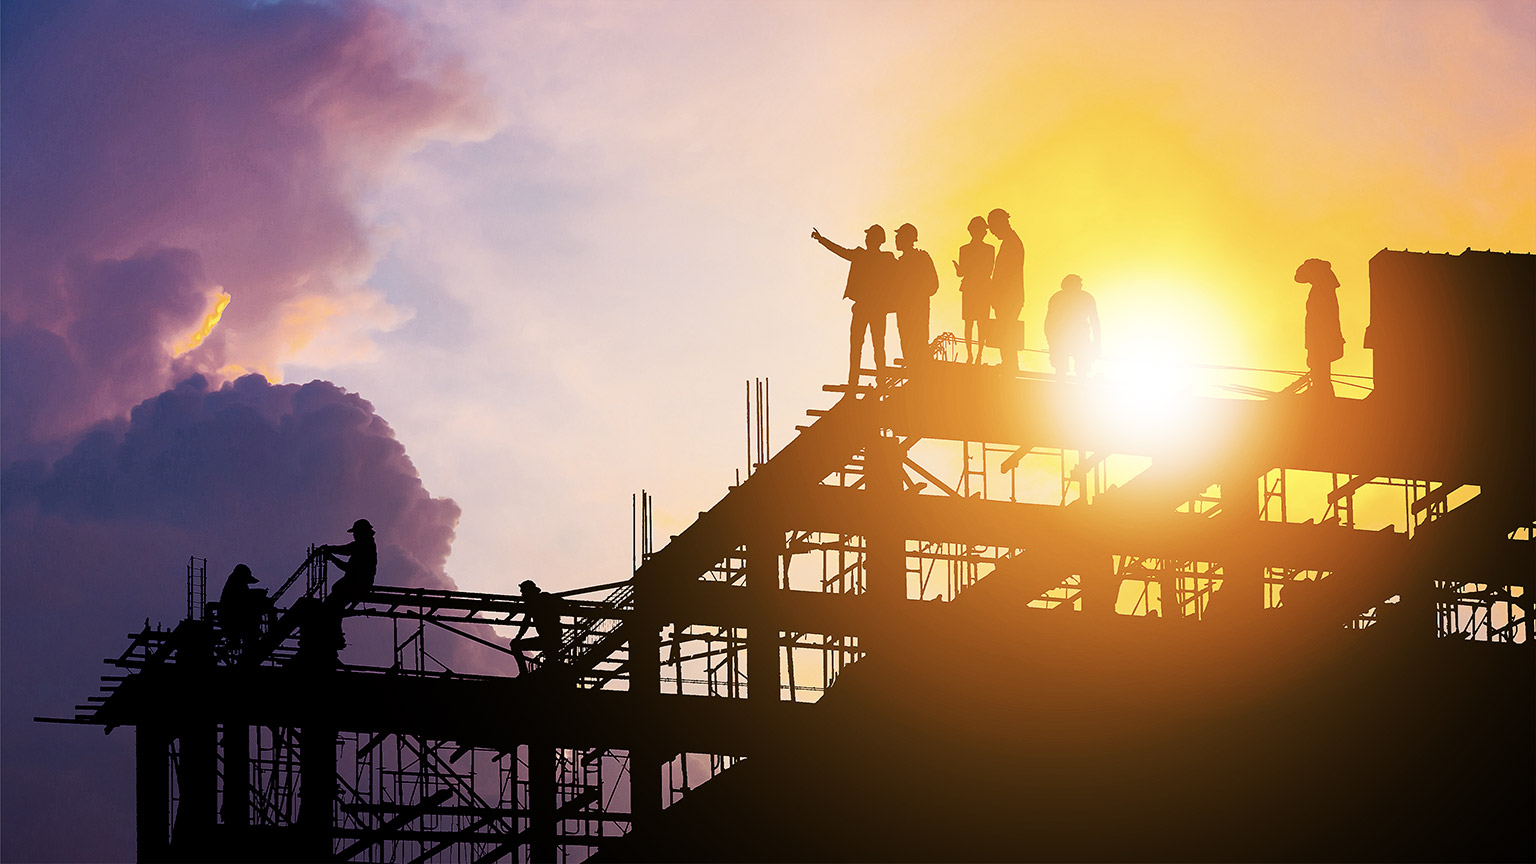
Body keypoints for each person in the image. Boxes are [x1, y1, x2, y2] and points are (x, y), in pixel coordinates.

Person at [812, 225, 898, 383]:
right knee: (863, 346)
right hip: (868, 309)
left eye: (869, 236)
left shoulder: (884, 258)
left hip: (873, 309)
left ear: (876, 240)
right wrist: (822, 240)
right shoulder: (868, 256)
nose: (866, 239)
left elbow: (901, 275)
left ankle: (877, 381)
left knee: (874, 346)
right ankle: (857, 382)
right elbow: (841, 251)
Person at [1294, 258, 1344, 397]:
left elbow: (1322, 320)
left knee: (1320, 370)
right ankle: (1320, 393)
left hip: (1321, 339)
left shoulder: (1323, 291)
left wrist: (1314, 342)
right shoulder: (1323, 289)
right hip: (1318, 339)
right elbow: (1298, 277)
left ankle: (1322, 395)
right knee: (1320, 371)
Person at [893, 223, 939, 368]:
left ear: (908, 238)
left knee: (918, 343)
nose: (896, 240)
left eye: (899, 236)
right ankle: (914, 371)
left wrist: (916, 295)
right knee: (906, 342)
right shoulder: (898, 263)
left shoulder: (922, 258)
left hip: (917, 309)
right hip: (903, 309)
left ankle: (920, 373)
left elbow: (934, 284)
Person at [988, 208, 1025, 372]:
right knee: (1005, 331)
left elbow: (1005, 274)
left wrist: (995, 292)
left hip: (1008, 298)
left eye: (994, 229)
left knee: (1006, 330)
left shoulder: (1012, 243)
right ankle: (1009, 364)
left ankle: (1010, 366)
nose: (993, 233)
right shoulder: (1010, 242)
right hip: (1008, 297)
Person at [954, 216, 994, 364]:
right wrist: (960, 269)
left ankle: (978, 355)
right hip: (972, 288)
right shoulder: (964, 249)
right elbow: (962, 272)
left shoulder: (989, 249)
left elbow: (988, 269)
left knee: (980, 323)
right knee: (970, 322)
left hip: (980, 288)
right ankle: (971, 355)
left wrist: (963, 269)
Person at [1044, 274, 1100, 377]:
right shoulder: (1058, 298)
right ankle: (1065, 387)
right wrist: (1051, 340)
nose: (1080, 285)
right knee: (1062, 368)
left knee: (1080, 368)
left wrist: (1096, 343)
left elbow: (1095, 322)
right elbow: (1049, 321)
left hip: (1077, 338)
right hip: (1062, 338)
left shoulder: (1085, 298)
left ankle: (1074, 387)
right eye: (1078, 283)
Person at [510, 580, 566, 675]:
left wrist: (517, 638)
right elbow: (526, 622)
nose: (522, 595)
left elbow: (525, 623)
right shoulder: (536, 602)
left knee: (515, 645)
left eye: (523, 592)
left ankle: (524, 674)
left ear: (529, 592)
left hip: (549, 639)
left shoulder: (541, 600)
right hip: (550, 638)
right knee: (551, 662)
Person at [320, 518, 377, 608]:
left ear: (361, 532)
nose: (354, 535)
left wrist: (331, 556)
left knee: (331, 602)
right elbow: (346, 551)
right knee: (336, 589)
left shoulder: (364, 545)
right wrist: (331, 552)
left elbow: (346, 554)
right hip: (360, 583)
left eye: (355, 532)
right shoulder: (367, 544)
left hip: (357, 584)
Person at [218, 564, 266, 658]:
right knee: (250, 634)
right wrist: (259, 594)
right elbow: (243, 598)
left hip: (231, 619)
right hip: (232, 619)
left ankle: (240, 646)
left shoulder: (235, 583)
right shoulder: (236, 584)